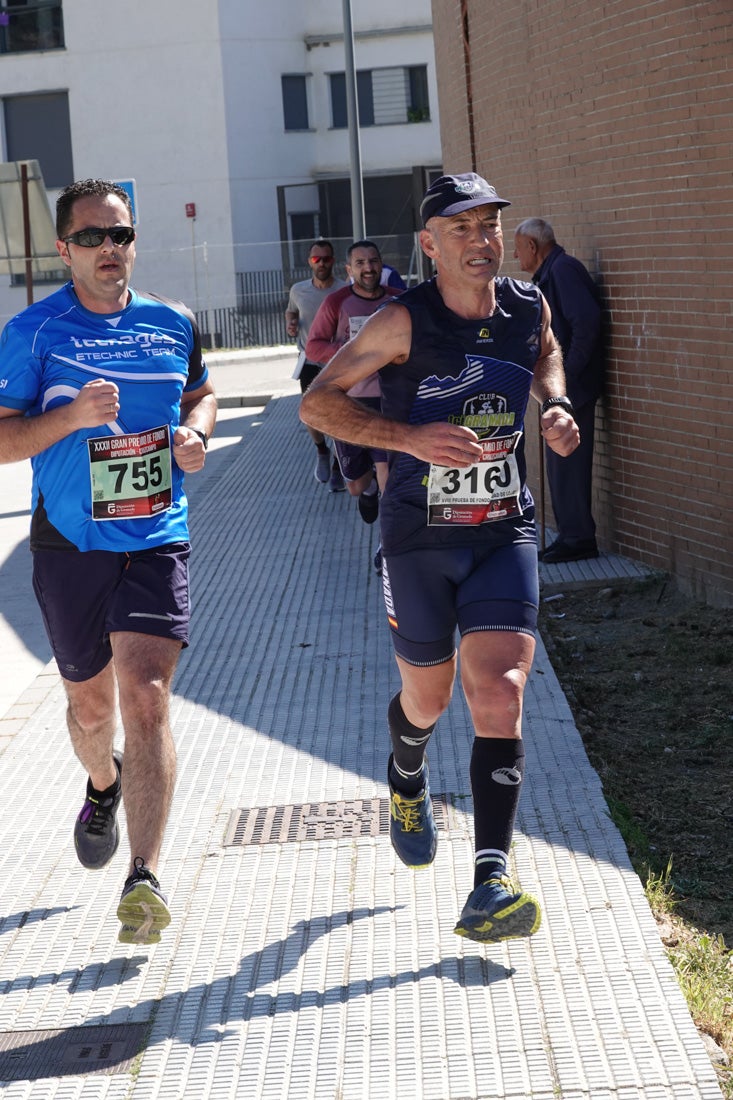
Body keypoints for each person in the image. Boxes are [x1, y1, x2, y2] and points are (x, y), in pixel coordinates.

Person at [301, 173, 580, 943]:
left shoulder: (527, 305)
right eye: (460, 229)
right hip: (418, 541)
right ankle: (406, 771)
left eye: (489, 224)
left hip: (501, 530)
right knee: (427, 700)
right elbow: (316, 403)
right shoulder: (400, 324)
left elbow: (546, 351)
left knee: (499, 688)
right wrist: (407, 438)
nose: (480, 239)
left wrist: (551, 404)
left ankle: (490, 877)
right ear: (428, 246)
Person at [0, 178, 217, 946]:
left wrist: (196, 433)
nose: (108, 250)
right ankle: (103, 785)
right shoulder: (31, 333)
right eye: (91, 238)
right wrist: (69, 417)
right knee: (92, 711)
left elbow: (200, 394)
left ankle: (145, 876)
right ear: (64, 250)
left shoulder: (172, 322)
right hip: (70, 546)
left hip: (157, 534)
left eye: (119, 235)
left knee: (147, 696)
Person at [514, 218, 603, 563]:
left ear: (533, 247)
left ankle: (579, 539)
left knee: (568, 463)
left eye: (519, 247)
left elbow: (587, 322)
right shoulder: (551, 273)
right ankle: (570, 535)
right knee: (558, 465)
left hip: (572, 390)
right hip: (560, 391)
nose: (517, 255)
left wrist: (563, 377)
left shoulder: (564, 270)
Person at [305, 240, 401, 528]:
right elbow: (313, 347)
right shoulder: (337, 303)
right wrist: (350, 351)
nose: (368, 268)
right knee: (356, 486)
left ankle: (385, 547)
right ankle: (368, 489)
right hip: (351, 400)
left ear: (381, 265)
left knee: (388, 473)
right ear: (349, 270)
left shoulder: (399, 299)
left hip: (389, 399)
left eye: (373, 261)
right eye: (360, 263)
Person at [285, 239, 346, 491]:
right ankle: (322, 450)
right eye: (316, 259)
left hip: (339, 361)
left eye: (326, 258)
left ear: (334, 261)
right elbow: (291, 312)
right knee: (310, 413)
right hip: (309, 359)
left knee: (340, 416)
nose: (321, 263)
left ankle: (337, 465)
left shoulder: (344, 290)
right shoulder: (298, 290)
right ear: (310, 262)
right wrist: (290, 324)